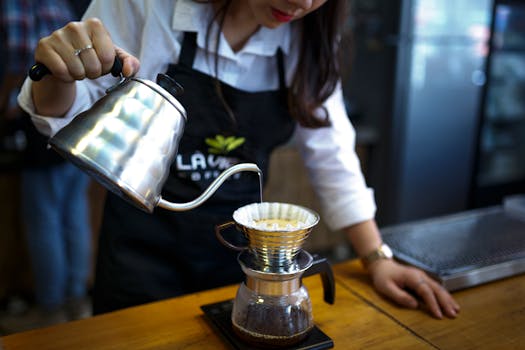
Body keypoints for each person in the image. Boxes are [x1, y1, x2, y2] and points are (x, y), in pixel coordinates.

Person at [17, 0, 460, 319]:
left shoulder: (308, 41)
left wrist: (377, 257)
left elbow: (332, 153)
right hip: (141, 261)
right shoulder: (148, 8)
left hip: (243, 268)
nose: (303, 3)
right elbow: (65, 119)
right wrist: (58, 72)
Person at [0, 0, 92, 333]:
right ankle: (77, 300)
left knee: (44, 218)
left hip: (36, 115)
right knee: (73, 212)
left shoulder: (16, 4)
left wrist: (4, 100)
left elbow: (18, 54)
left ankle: (51, 307)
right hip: (75, 116)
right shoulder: (59, 4)